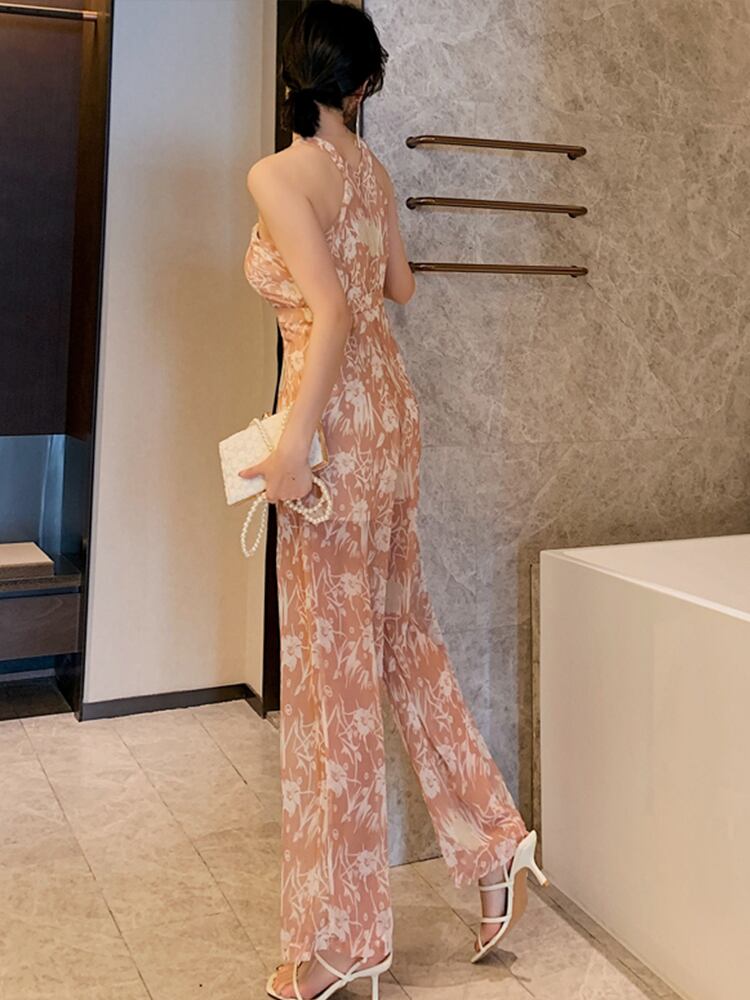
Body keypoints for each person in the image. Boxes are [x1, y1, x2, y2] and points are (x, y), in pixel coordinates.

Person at [241, 3, 547, 998]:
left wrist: (292, 445)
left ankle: (342, 941)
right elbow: (397, 288)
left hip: (333, 428)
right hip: (389, 419)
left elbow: (330, 312)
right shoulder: (370, 174)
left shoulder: (278, 175)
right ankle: (494, 846)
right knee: (404, 643)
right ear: (363, 84)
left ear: (295, 74)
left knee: (329, 681)